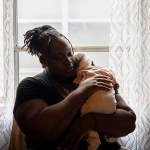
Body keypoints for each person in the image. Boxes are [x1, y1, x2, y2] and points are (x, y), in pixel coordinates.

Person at [13, 25, 136, 150]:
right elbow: (39, 134)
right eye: (59, 57)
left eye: (70, 54)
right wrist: (81, 92)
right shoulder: (32, 86)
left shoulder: (90, 75)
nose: (68, 61)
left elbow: (129, 123)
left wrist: (88, 122)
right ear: (43, 60)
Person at [73, 53, 118, 150]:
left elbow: (77, 88)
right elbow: (115, 83)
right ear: (93, 62)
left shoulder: (82, 73)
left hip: (91, 107)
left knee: (89, 128)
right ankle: (112, 138)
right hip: (111, 106)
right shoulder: (105, 70)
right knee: (111, 122)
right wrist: (115, 87)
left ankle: (94, 143)